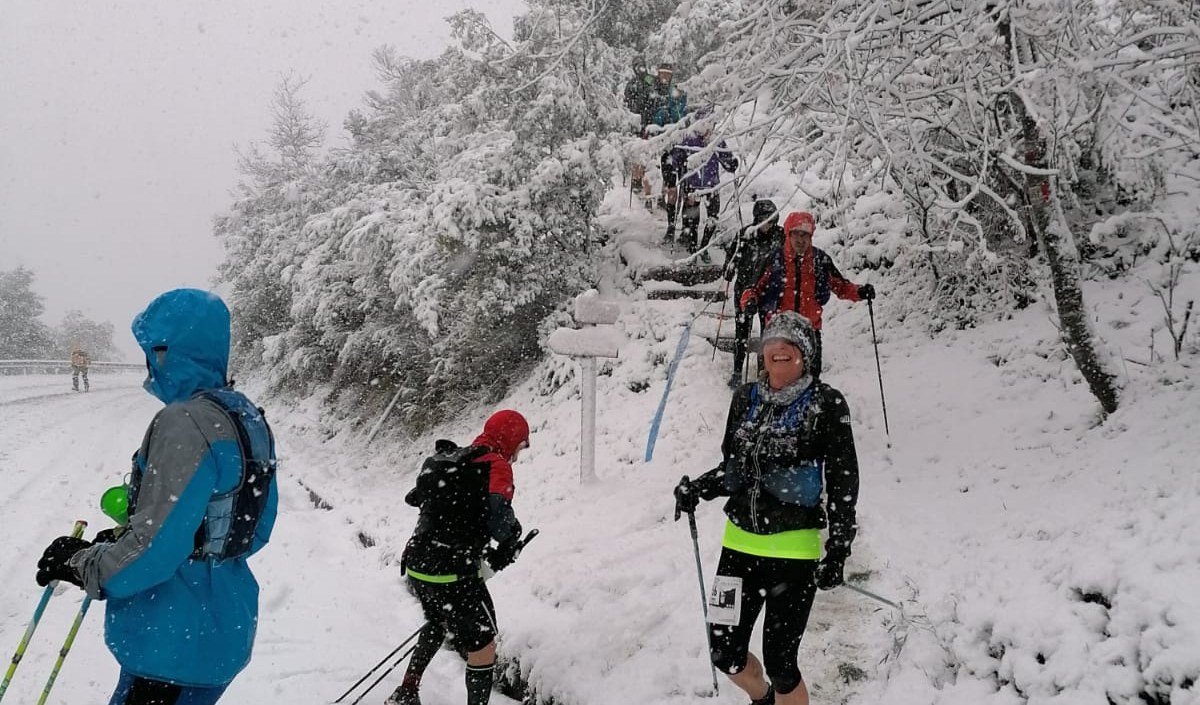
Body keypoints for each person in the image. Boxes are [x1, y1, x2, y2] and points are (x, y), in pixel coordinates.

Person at [34, 288, 279, 705]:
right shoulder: (245, 415)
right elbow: (252, 529)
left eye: (152, 351)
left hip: (169, 642)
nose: (149, 365)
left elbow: (155, 550)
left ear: (168, 351)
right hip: (222, 628)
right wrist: (130, 544)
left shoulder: (185, 421)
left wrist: (82, 564)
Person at [673, 311, 860, 705]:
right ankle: (764, 700)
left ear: (806, 354)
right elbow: (732, 469)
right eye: (772, 342)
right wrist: (699, 489)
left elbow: (844, 481)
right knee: (724, 651)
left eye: (791, 344)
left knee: (781, 662)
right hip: (738, 551)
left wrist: (838, 549)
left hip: (794, 555)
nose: (779, 349)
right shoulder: (745, 399)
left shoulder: (826, 403)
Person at [388, 410, 531, 705]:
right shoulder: (496, 464)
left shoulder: (457, 458)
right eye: (521, 444)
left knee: (440, 620)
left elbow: (425, 501)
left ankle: (406, 691)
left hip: (417, 563)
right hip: (451, 573)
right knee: (483, 644)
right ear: (510, 438)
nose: (519, 452)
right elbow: (500, 521)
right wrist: (511, 538)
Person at [738, 212, 876, 378]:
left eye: (805, 235)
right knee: (773, 381)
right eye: (796, 234)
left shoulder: (820, 260)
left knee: (811, 382)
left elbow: (840, 286)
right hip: (777, 330)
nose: (800, 239)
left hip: (810, 331)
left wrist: (859, 292)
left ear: (811, 236)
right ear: (788, 234)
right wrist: (749, 301)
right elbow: (752, 288)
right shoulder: (773, 259)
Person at [724, 199, 784, 388]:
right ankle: (737, 370)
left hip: (769, 292)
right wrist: (731, 265)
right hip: (744, 290)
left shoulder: (781, 236)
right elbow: (729, 261)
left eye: (772, 220)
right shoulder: (745, 236)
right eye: (765, 220)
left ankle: (766, 369)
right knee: (742, 331)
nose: (769, 225)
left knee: (769, 333)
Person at [663, 112, 739, 255]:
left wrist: (732, 164)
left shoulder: (717, 140)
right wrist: (672, 165)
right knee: (692, 220)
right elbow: (676, 159)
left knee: (713, 217)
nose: (708, 128)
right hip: (692, 186)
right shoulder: (689, 140)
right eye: (704, 124)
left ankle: (704, 247)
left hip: (712, 186)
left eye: (711, 124)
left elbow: (726, 159)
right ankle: (693, 248)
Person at [623, 57, 657, 203]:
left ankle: (649, 183)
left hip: (651, 122)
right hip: (637, 122)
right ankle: (637, 180)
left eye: (642, 66)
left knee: (650, 154)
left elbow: (658, 89)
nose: (641, 69)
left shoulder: (649, 80)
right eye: (638, 66)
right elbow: (628, 103)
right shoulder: (631, 84)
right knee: (638, 152)